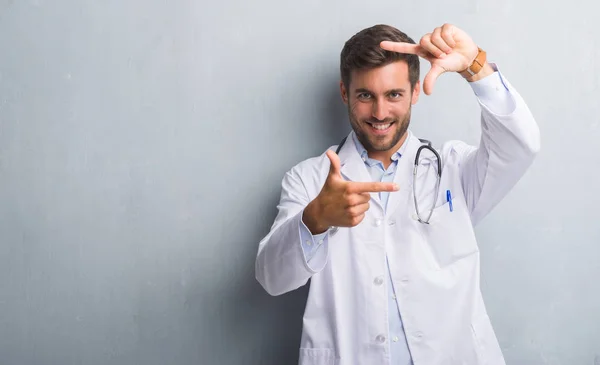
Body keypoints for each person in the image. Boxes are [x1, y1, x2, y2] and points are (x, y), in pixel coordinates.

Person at [255, 23, 540, 365]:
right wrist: (315, 219)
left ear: (415, 92)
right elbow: (272, 277)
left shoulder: (452, 169)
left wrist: (475, 68)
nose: (380, 113)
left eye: (394, 95)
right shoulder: (308, 180)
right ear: (345, 93)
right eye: (365, 95)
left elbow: (520, 146)